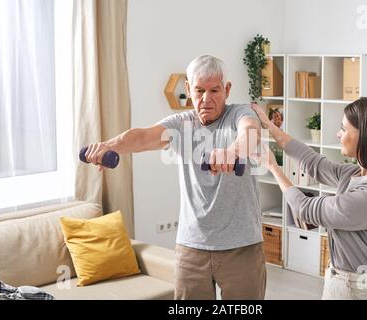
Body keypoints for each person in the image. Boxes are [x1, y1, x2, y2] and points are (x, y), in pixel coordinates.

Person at [84, 55, 266, 300]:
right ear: (188, 89)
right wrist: (108, 146)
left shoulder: (239, 114)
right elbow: (141, 137)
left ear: (227, 89)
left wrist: (232, 151)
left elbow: (250, 133)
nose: (206, 99)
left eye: (215, 90)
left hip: (241, 246)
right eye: (199, 90)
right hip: (192, 247)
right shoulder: (181, 124)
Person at [251, 97, 367, 300]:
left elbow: (304, 208)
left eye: (343, 129)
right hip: (347, 282)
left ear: (366, 136)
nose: (338, 133)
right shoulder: (355, 175)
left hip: (362, 290)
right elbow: (313, 162)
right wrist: (269, 125)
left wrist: (273, 166)